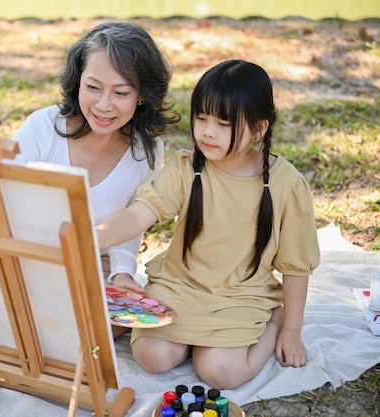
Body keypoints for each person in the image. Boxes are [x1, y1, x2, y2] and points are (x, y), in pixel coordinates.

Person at [0, 20, 181, 343]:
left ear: (142, 95)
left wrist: (122, 272)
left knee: (110, 323)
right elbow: (1, 204)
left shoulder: (148, 152)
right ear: (78, 81)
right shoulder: (43, 126)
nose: (103, 105)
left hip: (86, 262)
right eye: (93, 87)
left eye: (121, 92)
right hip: (21, 251)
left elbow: (129, 225)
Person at [96, 59, 320, 390]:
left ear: (259, 129)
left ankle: (271, 320)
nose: (207, 131)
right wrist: (94, 236)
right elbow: (138, 214)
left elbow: (296, 265)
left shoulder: (286, 183)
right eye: (201, 118)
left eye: (223, 123)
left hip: (241, 295)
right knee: (152, 356)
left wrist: (290, 330)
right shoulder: (188, 168)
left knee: (219, 372)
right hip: (179, 286)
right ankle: (191, 340)